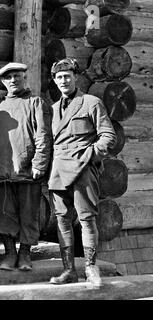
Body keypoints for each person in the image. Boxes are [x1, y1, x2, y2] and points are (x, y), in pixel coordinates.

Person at [48, 58, 116, 288]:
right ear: (54, 81)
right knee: (62, 222)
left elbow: (108, 137)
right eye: (59, 77)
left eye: (67, 76)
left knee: (86, 220)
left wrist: (88, 156)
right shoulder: (54, 109)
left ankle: (91, 268)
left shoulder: (90, 103)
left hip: (83, 171)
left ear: (75, 77)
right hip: (58, 172)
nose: (64, 80)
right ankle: (69, 270)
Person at [0, 62, 52, 271]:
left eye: (17, 76)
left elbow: (43, 136)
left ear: (24, 77)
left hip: (27, 171)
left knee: (28, 214)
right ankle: (10, 253)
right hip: (2, 171)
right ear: (3, 82)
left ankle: (25, 253)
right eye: (8, 78)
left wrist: (40, 164)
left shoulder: (35, 103)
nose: (13, 80)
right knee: (5, 214)